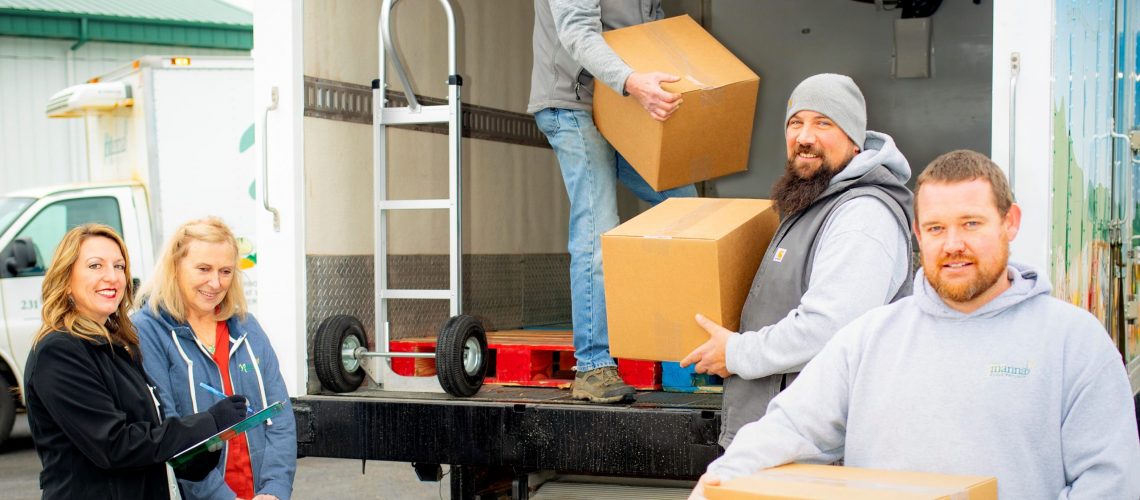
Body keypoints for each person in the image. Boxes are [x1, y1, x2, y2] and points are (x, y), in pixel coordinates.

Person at [689, 150, 1140, 499]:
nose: (954, 244)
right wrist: (717, 482)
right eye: (937, 228)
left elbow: (1108, 484)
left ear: (1010, 223)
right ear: (919, 235)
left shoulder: (1075, 343)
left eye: (971, 223)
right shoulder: (869, 338)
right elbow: (787, 429)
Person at [681, 73, 914, 446]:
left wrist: (738, 353)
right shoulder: (811, 202)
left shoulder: (863, 215)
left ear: (854, 141)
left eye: (824, 123)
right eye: (796, 123)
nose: (805, 137)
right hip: (784, 435)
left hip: (822, 445)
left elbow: (829, 327)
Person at [529, 0, 698, 403]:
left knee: (687, 205)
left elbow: (649, 31)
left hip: (621, 104)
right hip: (574, 106)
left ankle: (709, 342)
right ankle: (592, 365)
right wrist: (632, 82)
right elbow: (576, 31)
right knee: (597, 227)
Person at [23, 223, 249, 500]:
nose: (112, 276)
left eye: (119, 267)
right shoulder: (58, 352)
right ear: (66, 279)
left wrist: (202, 450)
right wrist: (208, 422)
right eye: (96, 266)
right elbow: (115, 445)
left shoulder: (117, 346)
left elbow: (148, 437)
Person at [134, 218, 295, 500]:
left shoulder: (247, 327)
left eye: (225, 271)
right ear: (175, 267)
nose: (216, 282)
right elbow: (169, 434)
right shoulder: (148, 332)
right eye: (203, 269)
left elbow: (279, 415)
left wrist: (274, 490)